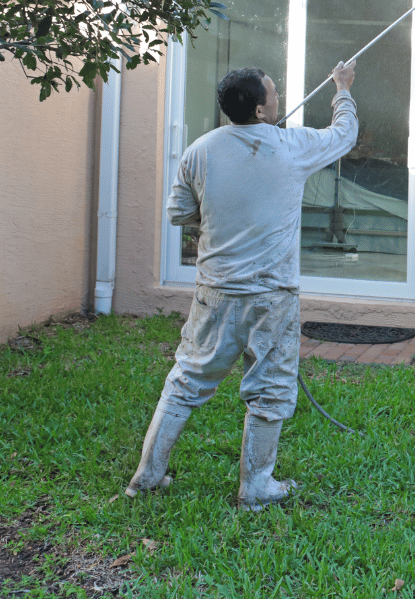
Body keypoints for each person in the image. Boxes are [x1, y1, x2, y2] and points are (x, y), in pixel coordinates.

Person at [126, 61, 358, 509]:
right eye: (272, 94)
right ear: (259, 110)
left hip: (214, 293)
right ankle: (256, 488)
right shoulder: (291, 146)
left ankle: (146, 478)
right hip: (271, 298)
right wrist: (342, 88)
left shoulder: (200, 150)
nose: (277, 97)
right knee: (270, 389)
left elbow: (178, 213)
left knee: (185, 382)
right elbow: (343, 134)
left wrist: (216, 215)